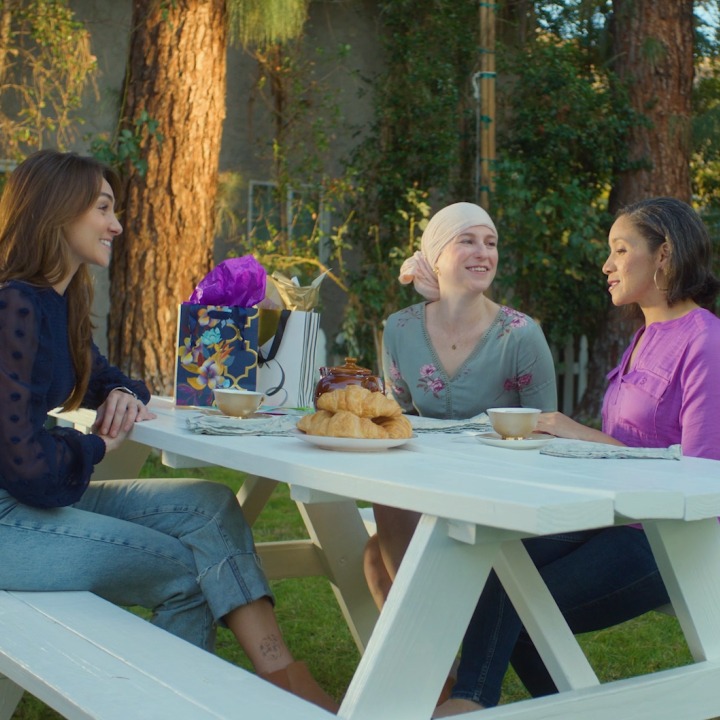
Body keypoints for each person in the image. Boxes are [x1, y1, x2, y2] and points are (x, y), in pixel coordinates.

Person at [0, 149, 337, 713]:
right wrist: (95, 445)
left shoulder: (56, 303)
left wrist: (123, 395)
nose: (118, 224)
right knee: (186, 572)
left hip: (23, 506)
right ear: (58, 212)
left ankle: (286, 686)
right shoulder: (14, 306)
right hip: (9, 519)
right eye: (103, 208)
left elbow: (106, 377)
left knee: (208, 504)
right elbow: (27, 465)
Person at [433, 196, 720, 717]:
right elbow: (632, 450)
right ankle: (476, 701)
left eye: (620, 249)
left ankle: (466, 702)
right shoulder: (646, 335)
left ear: (664, 255)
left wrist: (577, 433)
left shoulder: (705, 342)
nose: (606, 265)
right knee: (492, 560)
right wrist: (564, 437)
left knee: (520, 604)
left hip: (668, 538)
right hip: (613, 518)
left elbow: (700, 478)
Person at [364, 202, 557, 693]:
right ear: (437, 253)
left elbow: (546, 430)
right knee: (375, 547)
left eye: (490, 242)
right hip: (430, 486)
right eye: (467, 240)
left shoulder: (521, 335)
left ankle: (436, 674)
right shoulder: (400, 328)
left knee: (389, 548)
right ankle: (440, 677)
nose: (483, 252)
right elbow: (398, 420)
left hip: (502, 493)